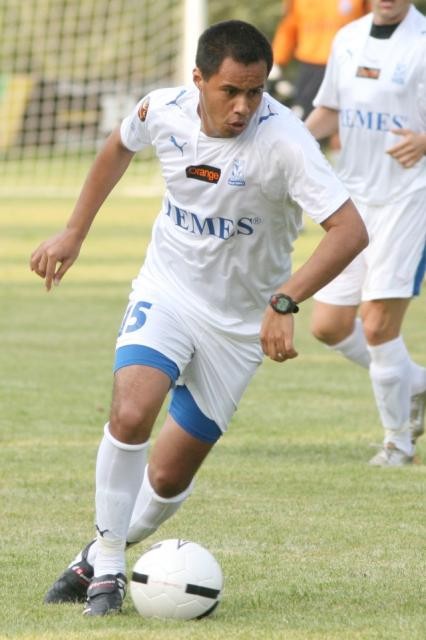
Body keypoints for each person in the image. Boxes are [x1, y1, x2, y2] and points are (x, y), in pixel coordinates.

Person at [30, 20, 367, 616]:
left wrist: (284, 301)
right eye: (230, 91)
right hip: (168, 290)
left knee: (165, 479)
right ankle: (108, 572)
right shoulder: (163, 109)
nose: (243, 107)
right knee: (131, 411)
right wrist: (74, 232)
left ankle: (95, 554)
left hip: (237, 328)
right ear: (199, 80)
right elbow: (118, 146)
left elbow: (350, 231)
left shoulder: (286, 143)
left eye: (255, 92)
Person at [304, 0, 426, 467]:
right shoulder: (348, 38)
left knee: (377, 325)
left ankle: (398, 442)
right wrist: (288, 142)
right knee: (328, 325)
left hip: (407, 198)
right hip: (352, 201)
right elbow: (330, 111)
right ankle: (416, 382)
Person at [270, 0, 369, 119]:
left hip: (349, 65)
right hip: (311, 65)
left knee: (350, 117)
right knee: (304, 117)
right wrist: (277, 60)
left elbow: (373, 20)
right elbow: (289, 24)